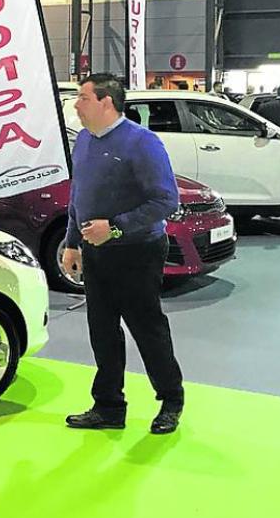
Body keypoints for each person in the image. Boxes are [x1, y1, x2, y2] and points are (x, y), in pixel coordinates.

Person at [62, 73, 184, 435]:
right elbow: (77, 197)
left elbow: (165, 200)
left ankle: (170, 399)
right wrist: (72, 242)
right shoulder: (84, 141)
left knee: (147, 329)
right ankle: (109, 406)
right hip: (96, 253)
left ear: (106, 102)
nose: (76, 105)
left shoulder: (142, 143)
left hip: (137, 251)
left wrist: (115, 227)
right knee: (102, 331)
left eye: (83, 98)